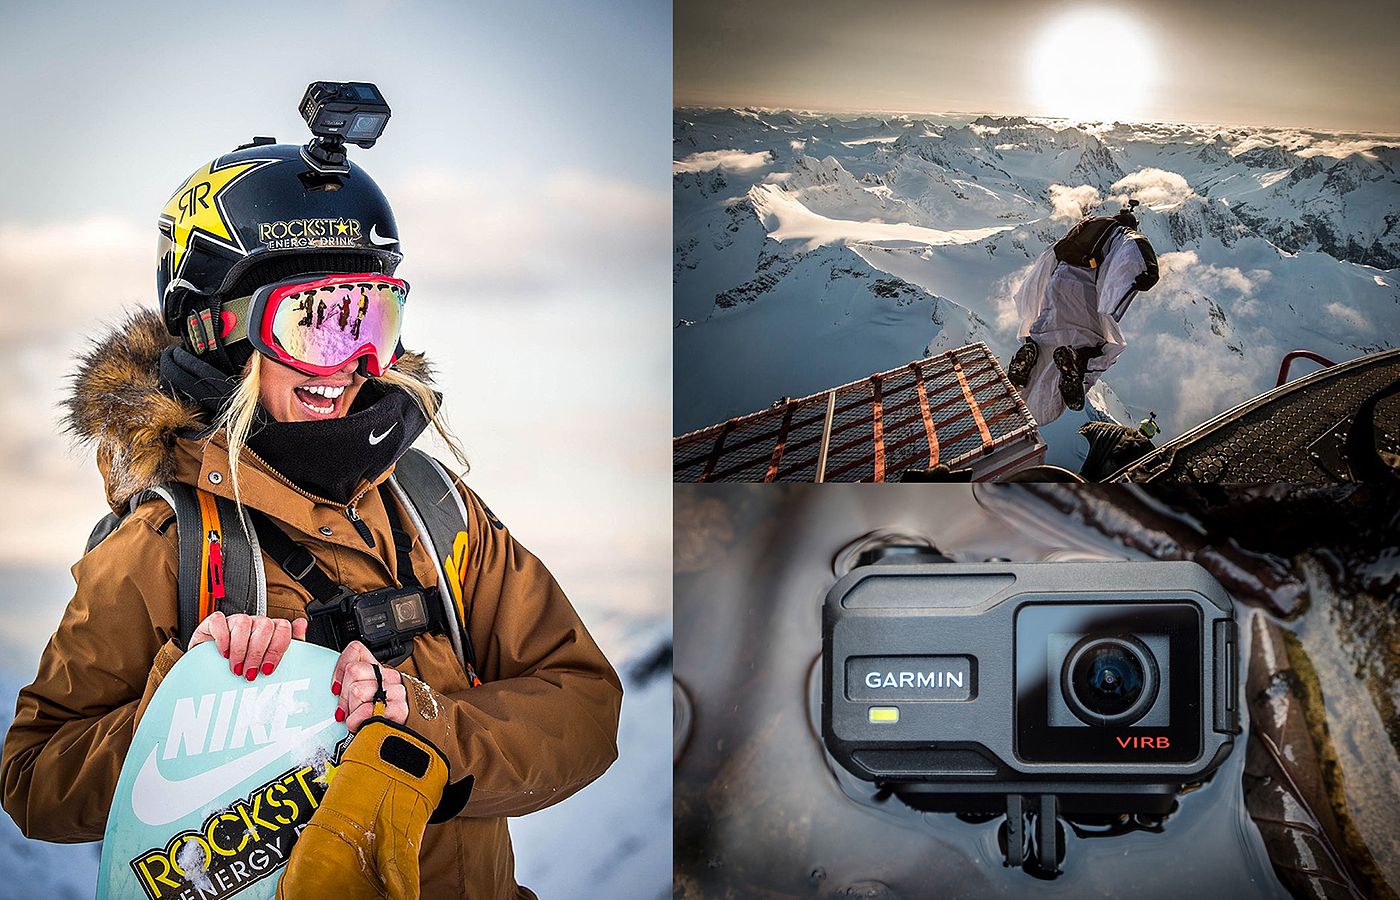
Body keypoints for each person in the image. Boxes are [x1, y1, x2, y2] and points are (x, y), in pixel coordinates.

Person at [0, 134, 622, 899]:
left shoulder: (430, 507)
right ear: (219, 331)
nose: (353, 363)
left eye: (372, 320)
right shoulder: (166, 545)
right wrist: (194, 701)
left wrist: (428, 730)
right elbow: (33, 779)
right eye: (318, 321)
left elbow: (586, 701)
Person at [1006, 202, 1159, 426]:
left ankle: (1030, 354)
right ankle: (1076, 363)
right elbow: (1137, 244)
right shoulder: (1121, 233)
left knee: (1045, 335)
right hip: (1084, 295)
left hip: (1056, 286)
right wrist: (1149, 272)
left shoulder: (1085, 228)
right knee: (1101, 350)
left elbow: (1051, 255)